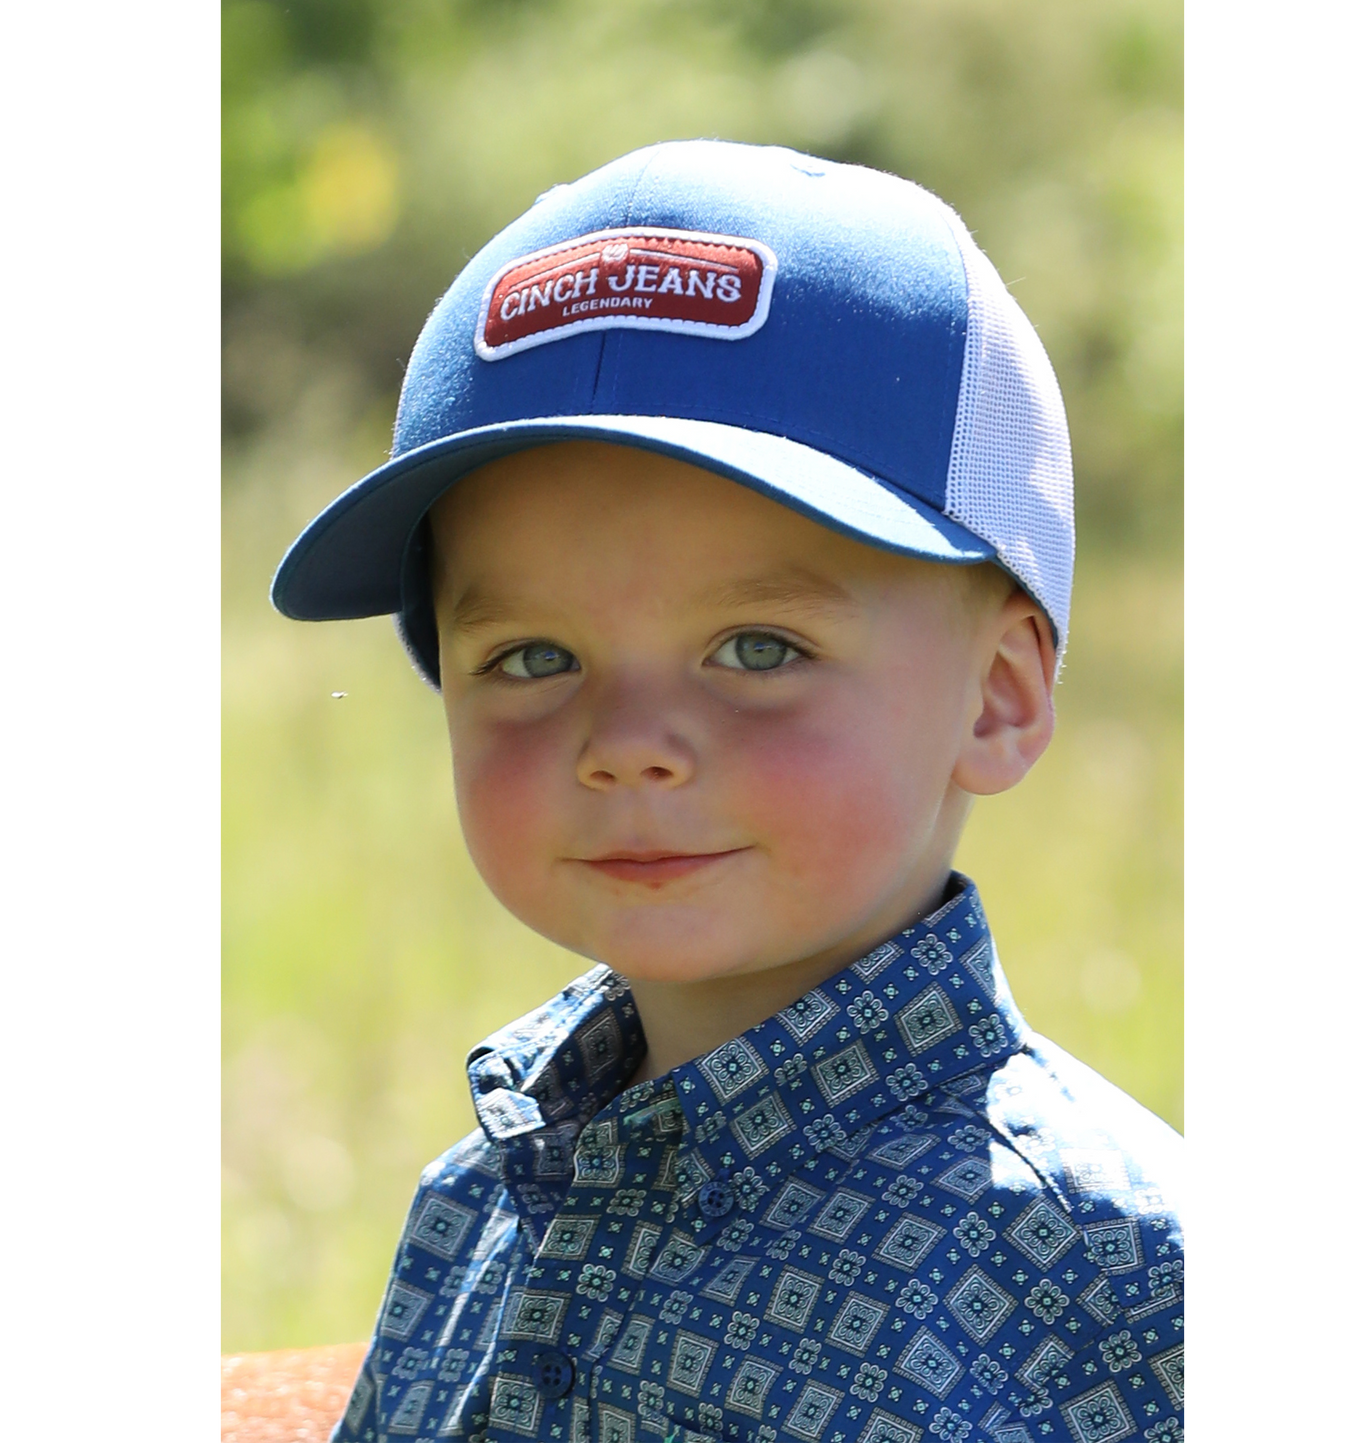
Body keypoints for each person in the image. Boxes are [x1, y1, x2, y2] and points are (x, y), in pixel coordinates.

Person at [272, 140, 1186, 1443]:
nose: (627, 743)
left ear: (996, 694)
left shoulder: (1108, 1270)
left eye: (758, 651)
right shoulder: (479, 1200)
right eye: (532, 657)